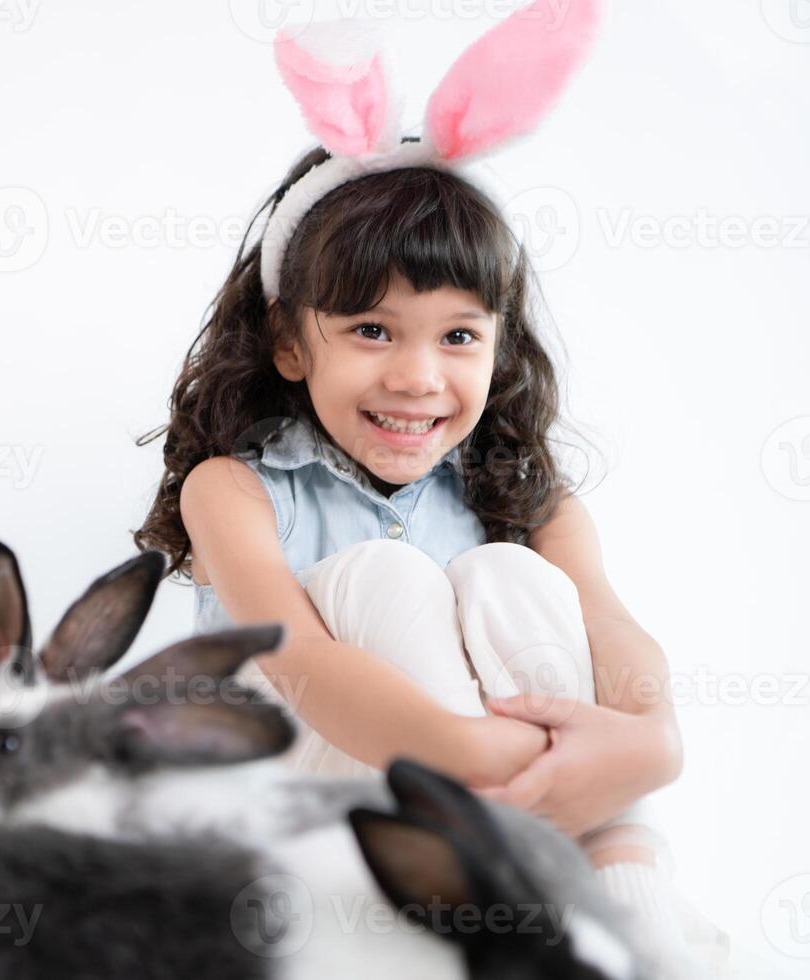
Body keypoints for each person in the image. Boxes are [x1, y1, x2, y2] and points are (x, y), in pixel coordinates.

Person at [133, 3, 736, 975]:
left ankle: (629, 911)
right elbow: (302, 670)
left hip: (529, 802)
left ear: (498, 347)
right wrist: (487, 761)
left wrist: (650, 744)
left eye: (457, 335)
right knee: (385, 577)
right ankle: (487, 862)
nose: (418, 376)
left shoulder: (530, 503)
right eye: (373, 329)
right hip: (322, 815)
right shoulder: (232, 491)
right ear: (290, 339)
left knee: (510, 574)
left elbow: (621, 640)